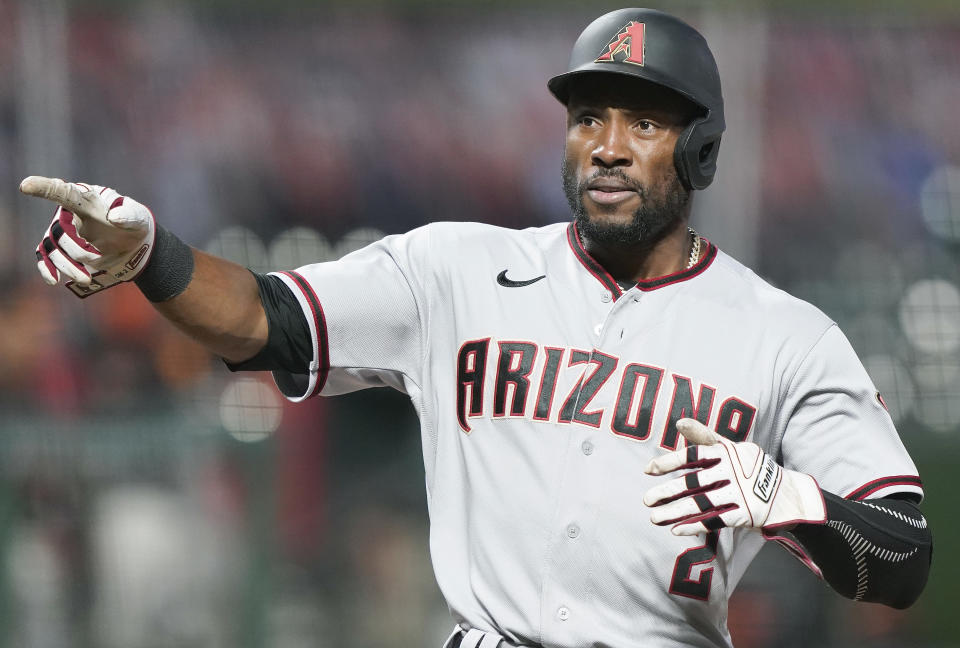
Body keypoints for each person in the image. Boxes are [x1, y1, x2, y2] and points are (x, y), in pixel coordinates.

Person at [22, 8, 932, 648]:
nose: (607, 145)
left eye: (644, 121)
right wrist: (155, 258)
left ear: (699, 150)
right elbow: (269, 319)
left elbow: (901, 554)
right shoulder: (455, 270)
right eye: (588, 118)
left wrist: (790, 500)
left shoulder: (784, 336)